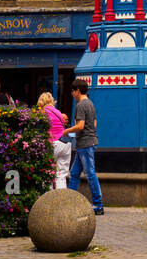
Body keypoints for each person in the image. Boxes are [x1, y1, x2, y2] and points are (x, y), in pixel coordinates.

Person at [67, 77, 103, 215]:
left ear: (76, 91)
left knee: (90, 173)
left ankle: (98, 205)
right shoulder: (91, 103)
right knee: (75, 173)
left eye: (72, 91)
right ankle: (70, 201)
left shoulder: (80, 105)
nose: (72, 94)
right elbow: (94, 123)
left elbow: (80, 126)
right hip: (88, 142)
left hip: (85, 144)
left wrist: (67, 131)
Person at [38, 91, 71, 190]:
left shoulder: (42, 112)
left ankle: (48, 201)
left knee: (47, 173)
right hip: (65, 144)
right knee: (61, 175)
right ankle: (61, 201)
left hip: (52, 144)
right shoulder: (58, 112)